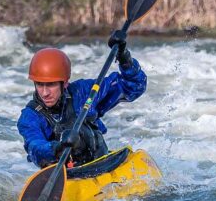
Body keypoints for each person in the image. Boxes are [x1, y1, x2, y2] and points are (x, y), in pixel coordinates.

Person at [17, 31, 147, 168]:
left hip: (100, 164)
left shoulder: (83, 93)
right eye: (39, 84)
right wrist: (57, 148)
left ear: (65, 83)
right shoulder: (29, 116)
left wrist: (124, 57)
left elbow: (134, 86)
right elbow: (34, 146)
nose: (44, 93)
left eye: (50, 85)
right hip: (65, 175)